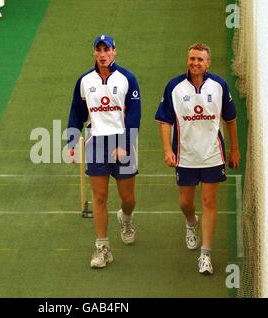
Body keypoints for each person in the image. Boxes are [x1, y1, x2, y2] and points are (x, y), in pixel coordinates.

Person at [155, 43, 240, 275]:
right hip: (185, 156)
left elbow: (230, 119)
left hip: (213, 155)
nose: (195, 63)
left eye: (199, 59)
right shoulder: (174, 86)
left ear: (208, 63)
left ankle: (206, 254)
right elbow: (164, 121)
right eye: (192, 58)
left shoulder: (220, 85)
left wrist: (235, 150)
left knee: (210, 203)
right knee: (185, 203)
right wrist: (166, 150)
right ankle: (191, 223)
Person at [67, 34, 141, 268]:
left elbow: (134, 114)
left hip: (122, 140)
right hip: (96, 142)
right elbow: (77, 112)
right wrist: (71, 142)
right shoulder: (85, 81)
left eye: (106, 50)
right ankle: (102, 248)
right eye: (98, 50)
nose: (102, 54)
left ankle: (125, 219)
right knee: (99, 198)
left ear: (114, 52)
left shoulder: (128, 78)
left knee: (128, 199)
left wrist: (124, 144)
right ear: (94, 53)